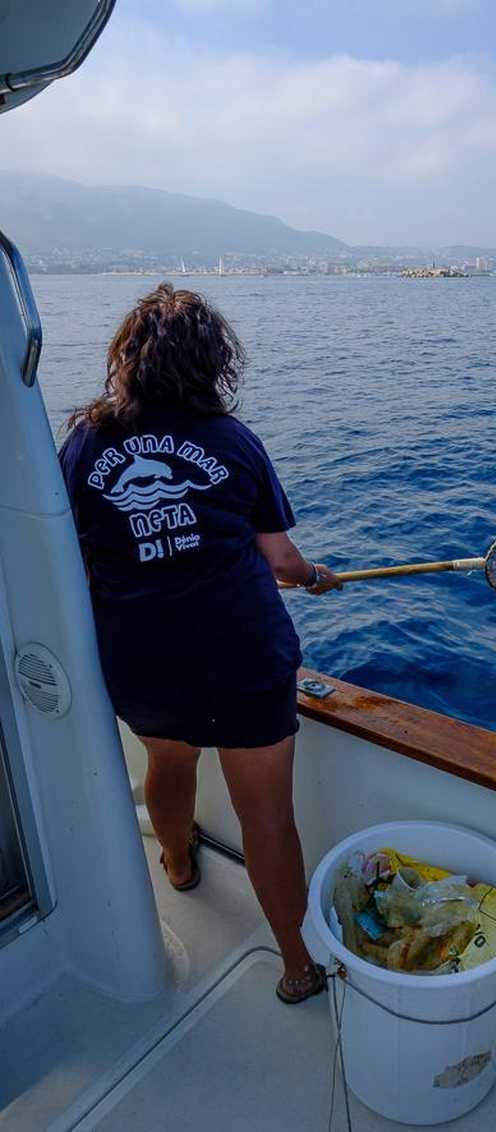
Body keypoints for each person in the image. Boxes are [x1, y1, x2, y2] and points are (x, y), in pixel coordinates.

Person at [59, 282, 341, 1005]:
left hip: (145, 658)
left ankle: (179, 864)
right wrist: (313, 577)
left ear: (128, 357)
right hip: (244, 657)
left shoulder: (87, 442)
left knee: (168, 762)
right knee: (267, 818)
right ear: (215, 360)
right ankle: (295, 965)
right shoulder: (233, 440)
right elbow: (280, 562)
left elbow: (68, 553)